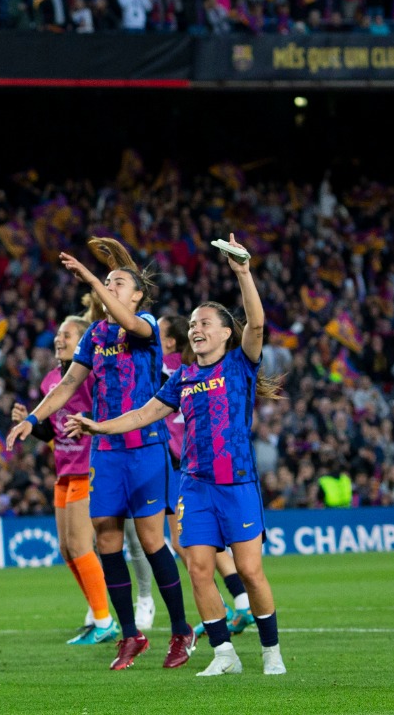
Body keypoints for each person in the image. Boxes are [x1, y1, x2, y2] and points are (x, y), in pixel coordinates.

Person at [68, 234, 287, 676]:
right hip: (195, 486)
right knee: (200, 570)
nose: (196, 328)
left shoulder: (240, 364)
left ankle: (270, 651)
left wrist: (243, 273)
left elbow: (258, 325)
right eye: (192, 323)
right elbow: (143, 413)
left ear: (226, 332)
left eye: (206, 322)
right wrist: (99, 425)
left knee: (249, 570)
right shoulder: (182, 377)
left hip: (237, 483)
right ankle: (224, 653)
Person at [4, 238, 195, 671]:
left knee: (149, 541)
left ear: (137, 295)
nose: (110, 286)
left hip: (145, 448)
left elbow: (128, 318)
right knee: (107, 542)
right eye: (107, 281)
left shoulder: (143, 324)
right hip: (105, 452)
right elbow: (67, 385)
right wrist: (32, 420)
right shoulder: (96, 335)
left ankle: (181, 629)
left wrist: (92, 276)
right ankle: (130, 635)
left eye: (118, 282)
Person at [11, 315, 120, 646]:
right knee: (66, 549)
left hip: (88, 466)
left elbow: (105, 412)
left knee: (79, 545)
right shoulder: (49, 382)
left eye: (68, 334)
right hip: (63, 467)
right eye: (58, 334)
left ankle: (104, 621)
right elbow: (52, 432)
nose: (60, 339)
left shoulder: (88, 376)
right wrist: (29, 423)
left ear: (82, 340)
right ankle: (96, 613)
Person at [160, 315, 255, 640]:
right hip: (192, 463)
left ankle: (232, 606)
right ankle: (240, 601)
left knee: (188, 542)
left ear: (170, 341)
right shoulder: (186, 368)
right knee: (203, 542)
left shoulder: (168, 370)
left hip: (182, 464)